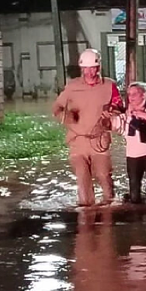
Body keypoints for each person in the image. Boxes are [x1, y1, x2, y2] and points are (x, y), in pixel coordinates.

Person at [52, 48, 123, 207]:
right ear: (81, 68)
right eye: (86, 69)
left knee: (104, 176)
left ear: (99, 67)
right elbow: (56, 108)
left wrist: (112, 112)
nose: (90, 72)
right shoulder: (72, 86)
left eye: (93, 68)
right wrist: (66, 117)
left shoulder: (109, 85)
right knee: (82, 179)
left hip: (99, 139)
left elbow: (119, 106)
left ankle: (109, 213)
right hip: (77, 140)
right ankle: (86, 215)